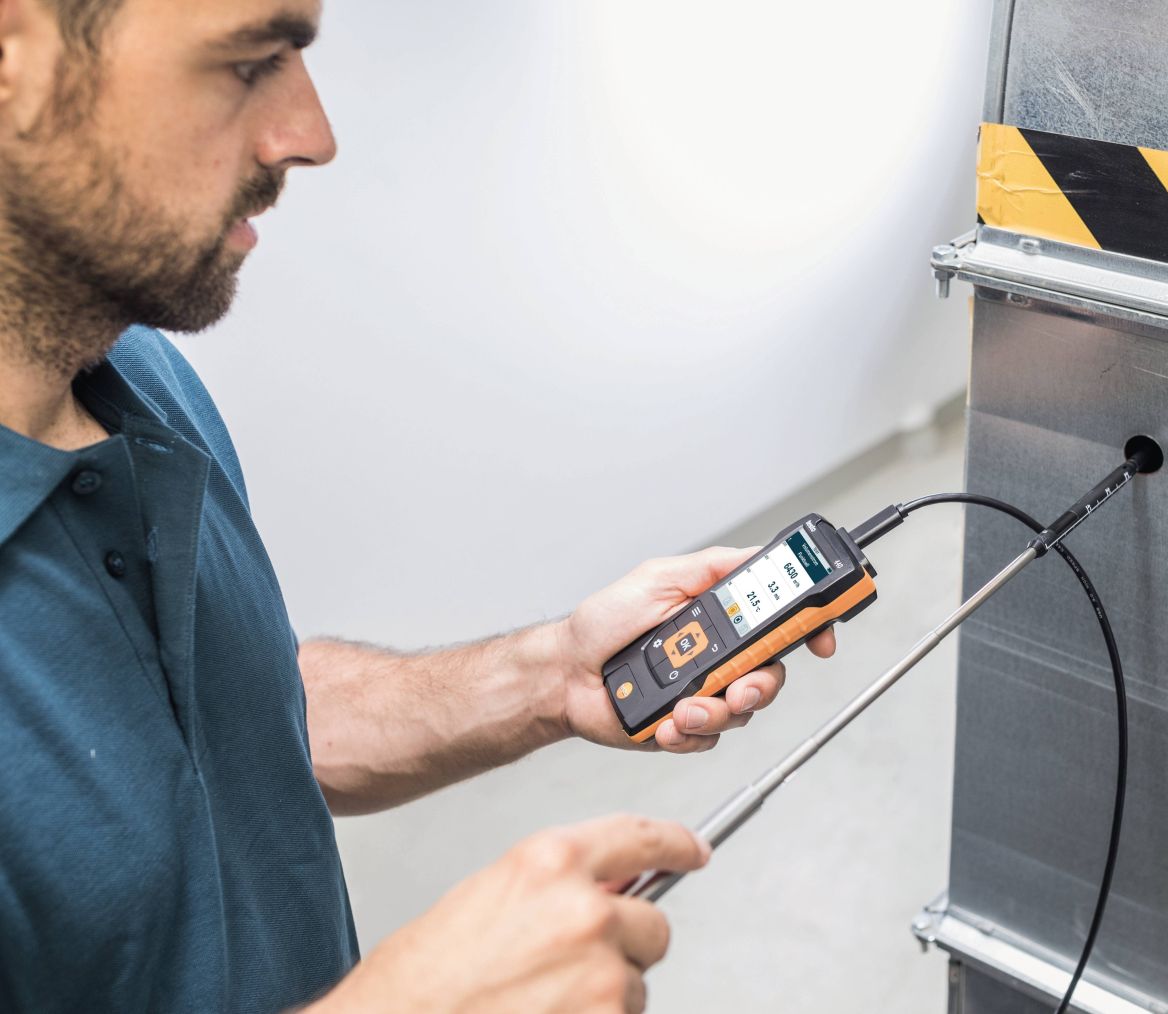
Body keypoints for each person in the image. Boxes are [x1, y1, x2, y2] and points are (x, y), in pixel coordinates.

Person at [0, 0, 837, 1010]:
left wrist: (550, 674)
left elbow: (238, 729)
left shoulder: (137, 373)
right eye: (250, 61)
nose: (312, 135)